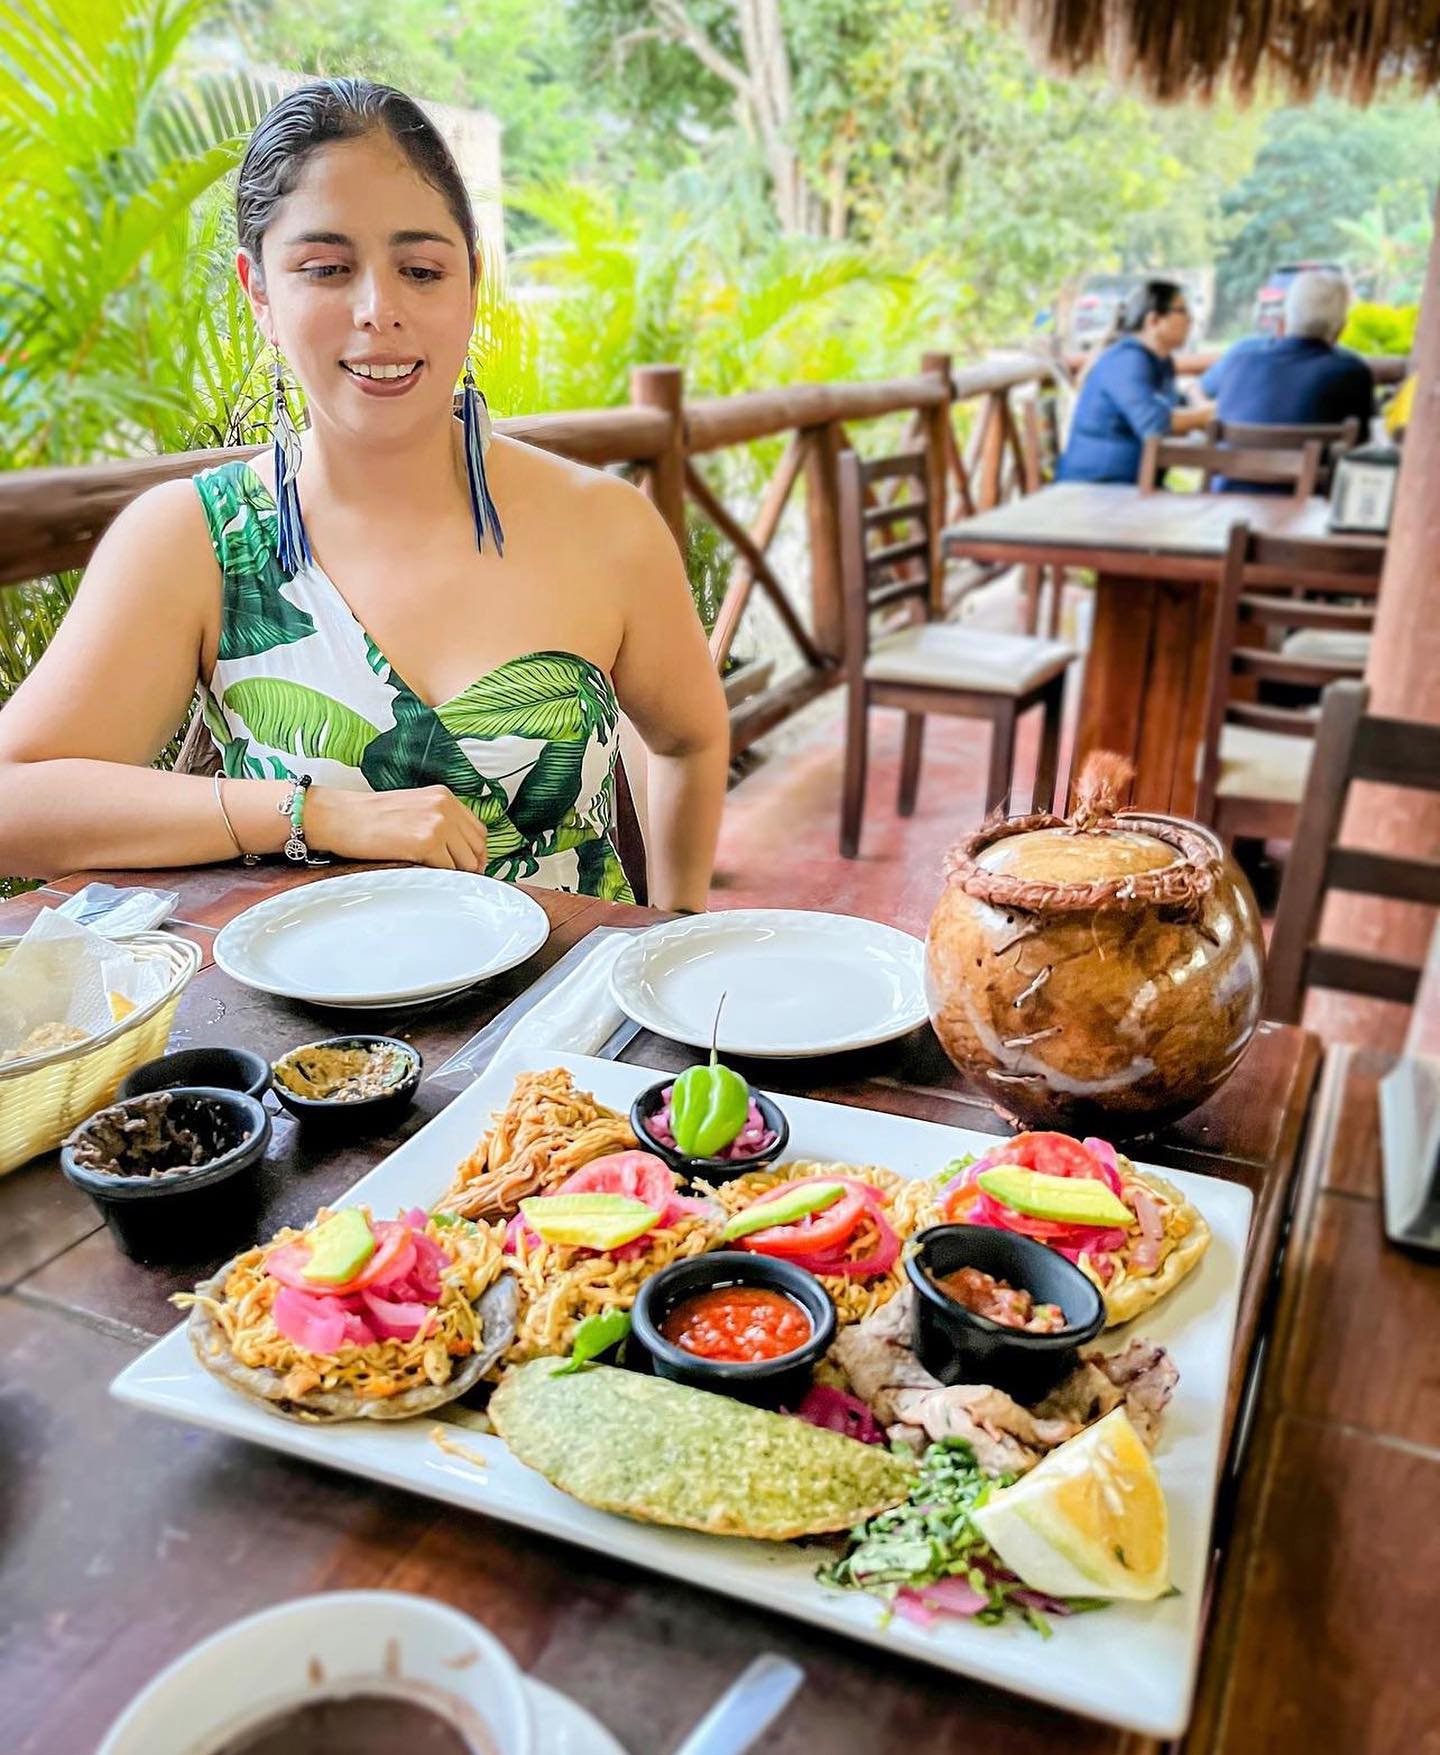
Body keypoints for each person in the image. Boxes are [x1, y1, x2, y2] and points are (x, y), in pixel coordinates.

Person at [0, 80, 729, 909]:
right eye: (326, 268)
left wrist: (673, 939)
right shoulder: (197, 541)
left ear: (471, 284)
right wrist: (309, 813)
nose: (379, 310)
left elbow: (690, 739)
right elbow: (13, 799)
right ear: (260, 295)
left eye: (420, 269)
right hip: (307, 1035)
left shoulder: (607, 526)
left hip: (567, 1025)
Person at [1055, 280, 1213, 484]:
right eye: (1182, 311)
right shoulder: (1126, 360)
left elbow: (1173, 407)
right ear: (1153, 320)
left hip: (1129, 489)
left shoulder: (1161, 362)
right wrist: (1207, 416)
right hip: (1094, 488)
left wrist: (1196, 401)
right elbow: (1153, 422)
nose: (1190, 320)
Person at [1200, 269, 1374, 439]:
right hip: (1310, 468)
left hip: (1229, 468)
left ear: (1282, 321)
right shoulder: (1353, 372)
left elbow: (1201, 391)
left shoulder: (1240, 354)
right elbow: (1361, 437)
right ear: (1340, 330)